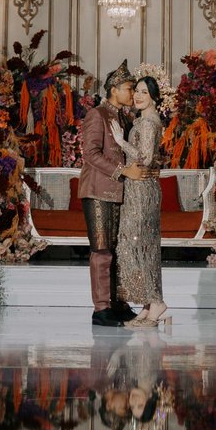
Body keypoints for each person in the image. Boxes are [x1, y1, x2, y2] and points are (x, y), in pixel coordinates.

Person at [76, 60, 149, 327]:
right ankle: (101, 309)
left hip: (119, 194)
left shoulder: (124, 117)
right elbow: (90, 154)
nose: (133, 94)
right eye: (129, 88)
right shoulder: (97, 114)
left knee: (119, 250)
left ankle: (118, 303)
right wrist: (123, 171)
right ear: (114, 89)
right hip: (98, 191)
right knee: (102, 250)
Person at [114, 76, 168, 328]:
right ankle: (148, 304)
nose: (137, 96)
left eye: (144, 92)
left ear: (154, 97)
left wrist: (121, 142)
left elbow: (145, 159)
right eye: (136, 91)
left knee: (139, 244)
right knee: (142, 245)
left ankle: (156, 303)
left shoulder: (148, 122)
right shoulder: (145, 120)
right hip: (138, 188)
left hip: (142, 190)